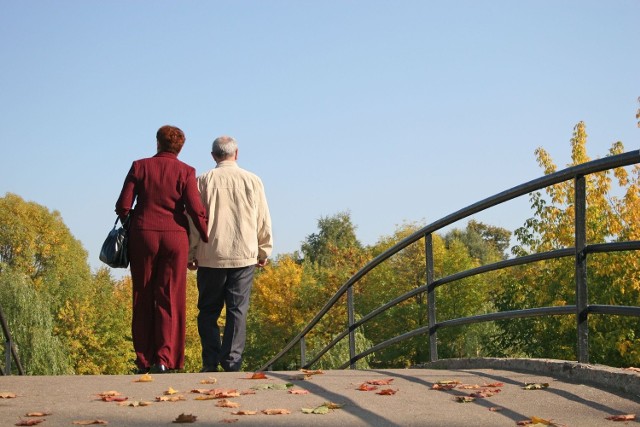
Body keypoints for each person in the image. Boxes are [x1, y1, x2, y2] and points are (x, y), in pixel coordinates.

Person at [116, 125, 209, 374]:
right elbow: (195, 208)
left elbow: (123, 206)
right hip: (175, 238)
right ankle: (164, 359)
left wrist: (137, 221)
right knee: (170, 297)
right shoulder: (186, 171)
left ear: (157, 143)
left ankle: (144, 360)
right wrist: (205, 235)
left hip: (143, 236)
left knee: (142, 296)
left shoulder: (139, 166)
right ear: (180, 148)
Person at [189, 135, 272, 372]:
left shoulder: (202, 181)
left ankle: (210, 361)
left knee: (207, 310)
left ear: (213, 155)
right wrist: (263, 249)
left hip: (210, 254)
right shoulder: (253, 181)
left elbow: (194, 220)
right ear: (236, 154)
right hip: (243, 253)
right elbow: (262, 218)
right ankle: (232, 361)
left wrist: (190, 252)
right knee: (237, 310)